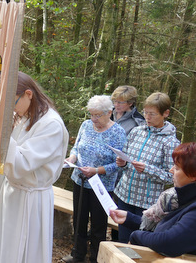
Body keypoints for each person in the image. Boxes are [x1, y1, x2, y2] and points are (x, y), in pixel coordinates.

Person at [0, 72, 69, 263]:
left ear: (28, 94)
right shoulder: (23, 115)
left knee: (23, 253)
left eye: (13, 102)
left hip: (31, 199)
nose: (11, 110)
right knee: (1, 251)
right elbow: (4, 159)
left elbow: (23, 163)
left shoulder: (51, 124)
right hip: (10, 194)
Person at [62, 95, 127, 263]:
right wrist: (72, 158)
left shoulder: (118, 132)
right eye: (92, 114)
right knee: (79, 219)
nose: (94, 119)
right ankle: (77, 254)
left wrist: (97, 170)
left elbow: (119, 164)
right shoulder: (85, 125)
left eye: (98, 115)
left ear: (109, 112)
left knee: (98, 224)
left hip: (102, 185)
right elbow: (76, 147)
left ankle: (96, 258)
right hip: (80, 180)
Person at [114, 92, 180, 243]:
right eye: (145, 113)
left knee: (139, 243)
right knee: (122, 240)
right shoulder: (136, 132)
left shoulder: (171, 142)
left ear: (166, 114)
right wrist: (123, 164)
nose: (147, 117)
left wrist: (147, 169)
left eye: (152, 114)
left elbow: (171, 176)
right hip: (124, 195)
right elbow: (125, 160)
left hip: (146, 203)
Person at [109, 142, 196, 257]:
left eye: (177, 168)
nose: (171, 170)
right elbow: (164, 227)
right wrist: (129, 218)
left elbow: (169, 241)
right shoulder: (175, 199)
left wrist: (136, 236)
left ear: (193, 175)